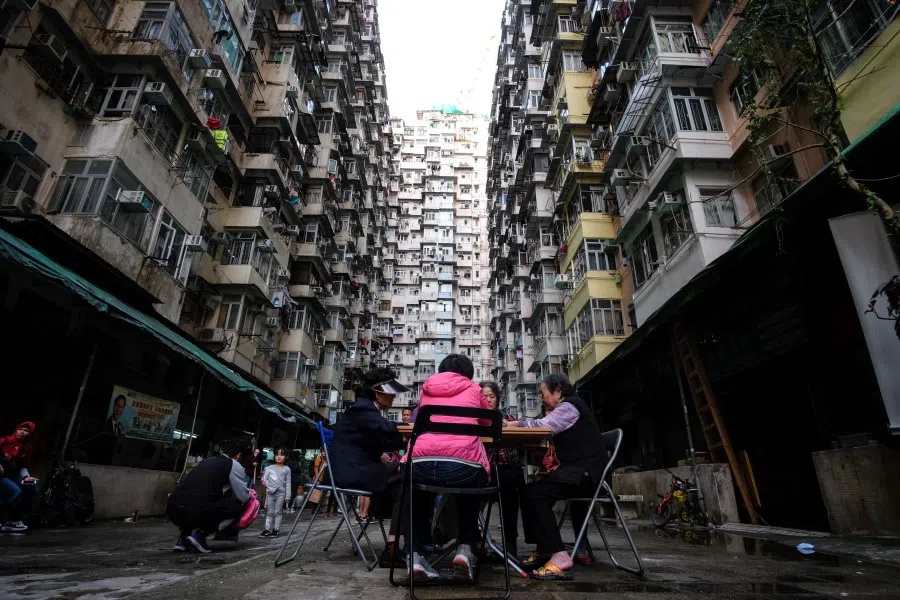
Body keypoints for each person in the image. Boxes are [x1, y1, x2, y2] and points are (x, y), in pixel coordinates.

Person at [503, 373, 607, 581]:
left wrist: (515, 425)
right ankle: (545, 548)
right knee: (527, 490)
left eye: (543, 393)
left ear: (558, 392)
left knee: (535, 494)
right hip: (577, 473)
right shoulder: (567, 407)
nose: (541, 398)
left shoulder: (569, 407)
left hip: (585, 475)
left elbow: (544, 426)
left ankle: (559, 556)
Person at [403, 354, 491, 581]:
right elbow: (488, 423)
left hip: (419, 464)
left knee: (418, 491)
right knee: (471, 485)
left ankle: (415, 554)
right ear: (469, 372)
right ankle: (465, 548)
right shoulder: (474, 390)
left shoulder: (426, 389)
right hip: (461, 468)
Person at [328, 366, 410, 567]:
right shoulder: (362, 409)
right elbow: (385, 428)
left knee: (403, 485)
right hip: (351, 473)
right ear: (377, 392)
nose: (393, 398)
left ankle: (394, 547)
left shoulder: (368, 411)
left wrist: (406, 440)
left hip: (360, 469)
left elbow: (384, 441)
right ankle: (400, 546)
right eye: (390, 393)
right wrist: (413, 429)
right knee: (406, 475)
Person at [167, 437, 252, 553]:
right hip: (197, 510)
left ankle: (183, 539)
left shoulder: (208, 460)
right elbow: (243, 497)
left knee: (200, 501)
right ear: (238, 455)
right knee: (236, 507)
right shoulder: (233, 464)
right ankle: (200, 534)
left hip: (173, 508)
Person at [481, 381, 526, 559]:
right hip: (481, 471)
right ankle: (474, 543)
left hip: (504, 471)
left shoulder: (506, 418)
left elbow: (520, 435)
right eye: (484, 396)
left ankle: (510, 545)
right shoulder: (473, 419)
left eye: (492, 397)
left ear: (498, 400)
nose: (488, 400)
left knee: (510, 480)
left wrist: (510, 425)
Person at [0, 422, 39, 533]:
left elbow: (23, 466)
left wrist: (26, 477)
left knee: (32, 487)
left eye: (26, 430)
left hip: (11, 476)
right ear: (16, 429)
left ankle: (13, 521)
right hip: (2, 476)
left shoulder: (25, 448)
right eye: (20, 429)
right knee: (15, 491)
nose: (22, 432)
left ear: (29, 433)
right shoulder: (4, 441)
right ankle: (4, 519)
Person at [259, 447, 291, 538]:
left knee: (278, 512)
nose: (279, 457)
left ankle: (276, 529)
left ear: (286, 457)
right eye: (277, 454)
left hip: (281, 493)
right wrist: (269, 487)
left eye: (282, 454)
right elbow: (263, 479)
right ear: (274, 456)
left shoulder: (287, 469)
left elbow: (288, 482)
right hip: (270, 493)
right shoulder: (269, 468)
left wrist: (288, 496)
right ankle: (266, 529)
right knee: (269, 512)